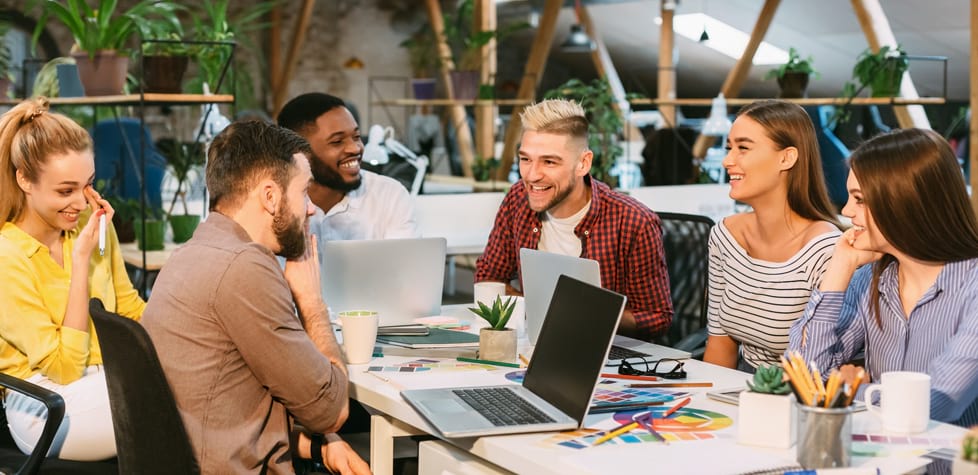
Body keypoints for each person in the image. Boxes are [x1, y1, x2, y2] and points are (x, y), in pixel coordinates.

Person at [142, 120, 369, 474]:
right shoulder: (244, 267)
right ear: (270, 196)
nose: (311, 208)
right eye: (304, 191)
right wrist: (310, 300)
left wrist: (317, 445)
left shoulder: (193, 252)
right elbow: (331, 410)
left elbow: (229, 409)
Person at [790, 128, 978, 427]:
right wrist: (839, 269)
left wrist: (850, 391)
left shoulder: (973, 287)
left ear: (905, 201)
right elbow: (803, 376)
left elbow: (936, 404)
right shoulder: (868, 280)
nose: (846, 210)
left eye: (860, 199)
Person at [0, 97, 144, 460]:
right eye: (65, 190)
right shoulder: (7, 257)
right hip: (43, 406)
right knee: (175, 401)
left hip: (106, 379)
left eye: (88, 185)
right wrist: (80, 262)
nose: (81, 203)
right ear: (24, 180)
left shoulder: (92, 226)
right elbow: (64, 368)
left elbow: (128, 308)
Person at [475, 99, 673, 340]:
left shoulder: (634, 221)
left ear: (583, 163)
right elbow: (489, 277)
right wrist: (542, 308)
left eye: (549, 161)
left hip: (607, 356)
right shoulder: (518, 198)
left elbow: (657, 317)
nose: (532, 175)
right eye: (525, 159)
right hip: (537, 343)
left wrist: (588, 313)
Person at [703, 100, 841, 372]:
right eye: (729, 147)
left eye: (743, 148)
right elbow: (720, 345)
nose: (727, 160)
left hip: (799, 393)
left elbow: (821, 366)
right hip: (740, 386)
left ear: (786, 158)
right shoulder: (724, 235)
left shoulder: (825, 249)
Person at [277, 92, 420, 241]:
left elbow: (406, 263)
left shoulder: (389, 196)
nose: (355, 148)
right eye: (337, 141)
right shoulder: (273, 205)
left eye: (356, 137)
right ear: (298, 153)